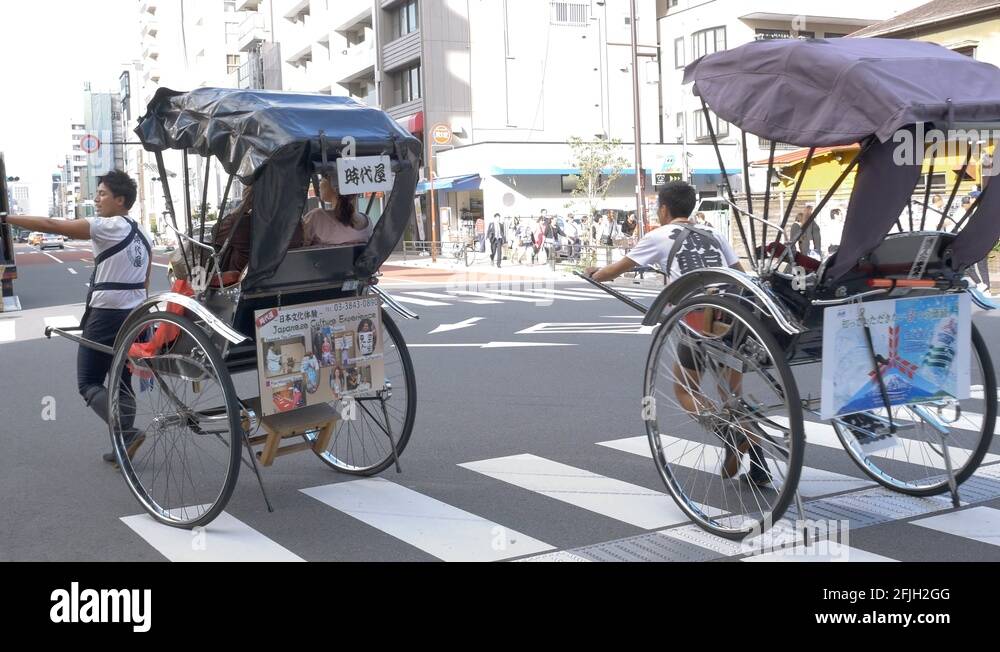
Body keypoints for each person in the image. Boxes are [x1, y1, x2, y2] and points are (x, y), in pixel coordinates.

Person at [585, 181, 769, 486]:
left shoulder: (658, 236)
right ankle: (759, 465)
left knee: (685, 391)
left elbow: (613, 271)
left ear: (664, 209)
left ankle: (730, 434)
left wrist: (594, 273)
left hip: (695, 319)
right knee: (732, 396)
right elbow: (739, 274)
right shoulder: (715, 234)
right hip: (732, 316)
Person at [3, 170, 152, 465]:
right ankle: (122, 445)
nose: (96, 199)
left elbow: (51, 224)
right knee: (121, 380)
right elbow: (145, 280)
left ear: (120, 200)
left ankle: (126, 430)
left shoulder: (109, 227)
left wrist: (5, 218)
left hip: (107, 313)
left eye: (102, 194)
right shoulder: (143, 232)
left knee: (88, 382)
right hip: (136, 313)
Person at [302, 173, 373, 246]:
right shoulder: (367, 222)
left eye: (323, 178)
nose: (320, 184)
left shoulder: (316, 217)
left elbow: (297, 249)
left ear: (334, 186)